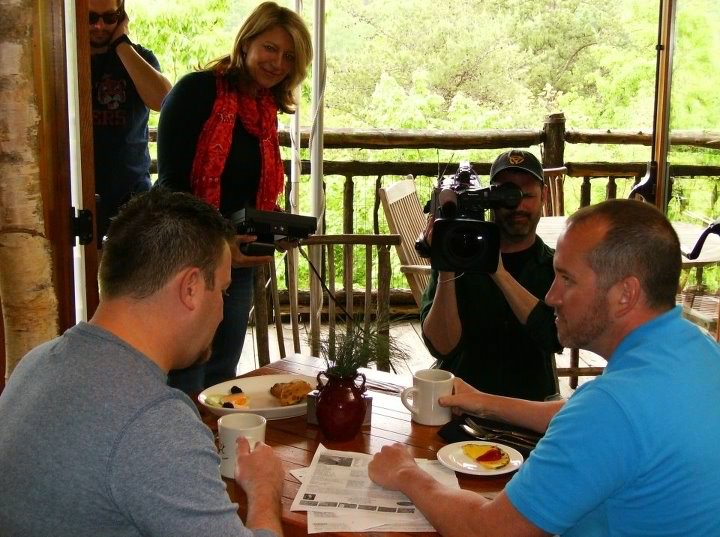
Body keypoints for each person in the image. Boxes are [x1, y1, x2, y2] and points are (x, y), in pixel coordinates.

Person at [369, 199, 720, 536]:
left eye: (566, 279)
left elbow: (487, 530)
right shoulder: (696, 347)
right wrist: (484, 402)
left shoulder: (612, 408)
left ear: (625, 294)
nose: (551, 296)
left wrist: (406, 473)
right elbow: (590, 419)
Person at [0, 189, 285, 537]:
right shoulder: (154, 422)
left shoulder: (35, 363)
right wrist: (263, 490)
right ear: (191, 288)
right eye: (222, 291)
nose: (223, 312)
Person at [155, 1, 312, 394]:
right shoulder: (196, 91)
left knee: (223, 371)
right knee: (185, 373)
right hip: (185, 256)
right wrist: (218, 241)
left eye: (289, 56)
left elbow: (246, 192)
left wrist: (275, 226)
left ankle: (214, 452)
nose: (278, 63)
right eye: (270, 48)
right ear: (246, 43)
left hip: (237, 263)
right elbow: (171, 186)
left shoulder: (263, 110)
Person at [420, 149, 561, 401]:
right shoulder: (458, 260)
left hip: (530, 408)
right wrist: (446, 269)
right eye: (505, 195)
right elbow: (441, 347)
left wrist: (498, 273)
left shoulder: (554, 267)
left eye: (527, 194)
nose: (517, 205)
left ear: (544, 197)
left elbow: (553, 338)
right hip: (462, 403)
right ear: (489, 198)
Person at [90, 0, 172, 245]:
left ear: (122, 16)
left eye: (109, 18)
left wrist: (121, 45)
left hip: (132, 197)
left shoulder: (138, 58)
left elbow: (165, 100)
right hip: (78, 196)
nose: (99, 26)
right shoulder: (63, 60)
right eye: (91, 18)